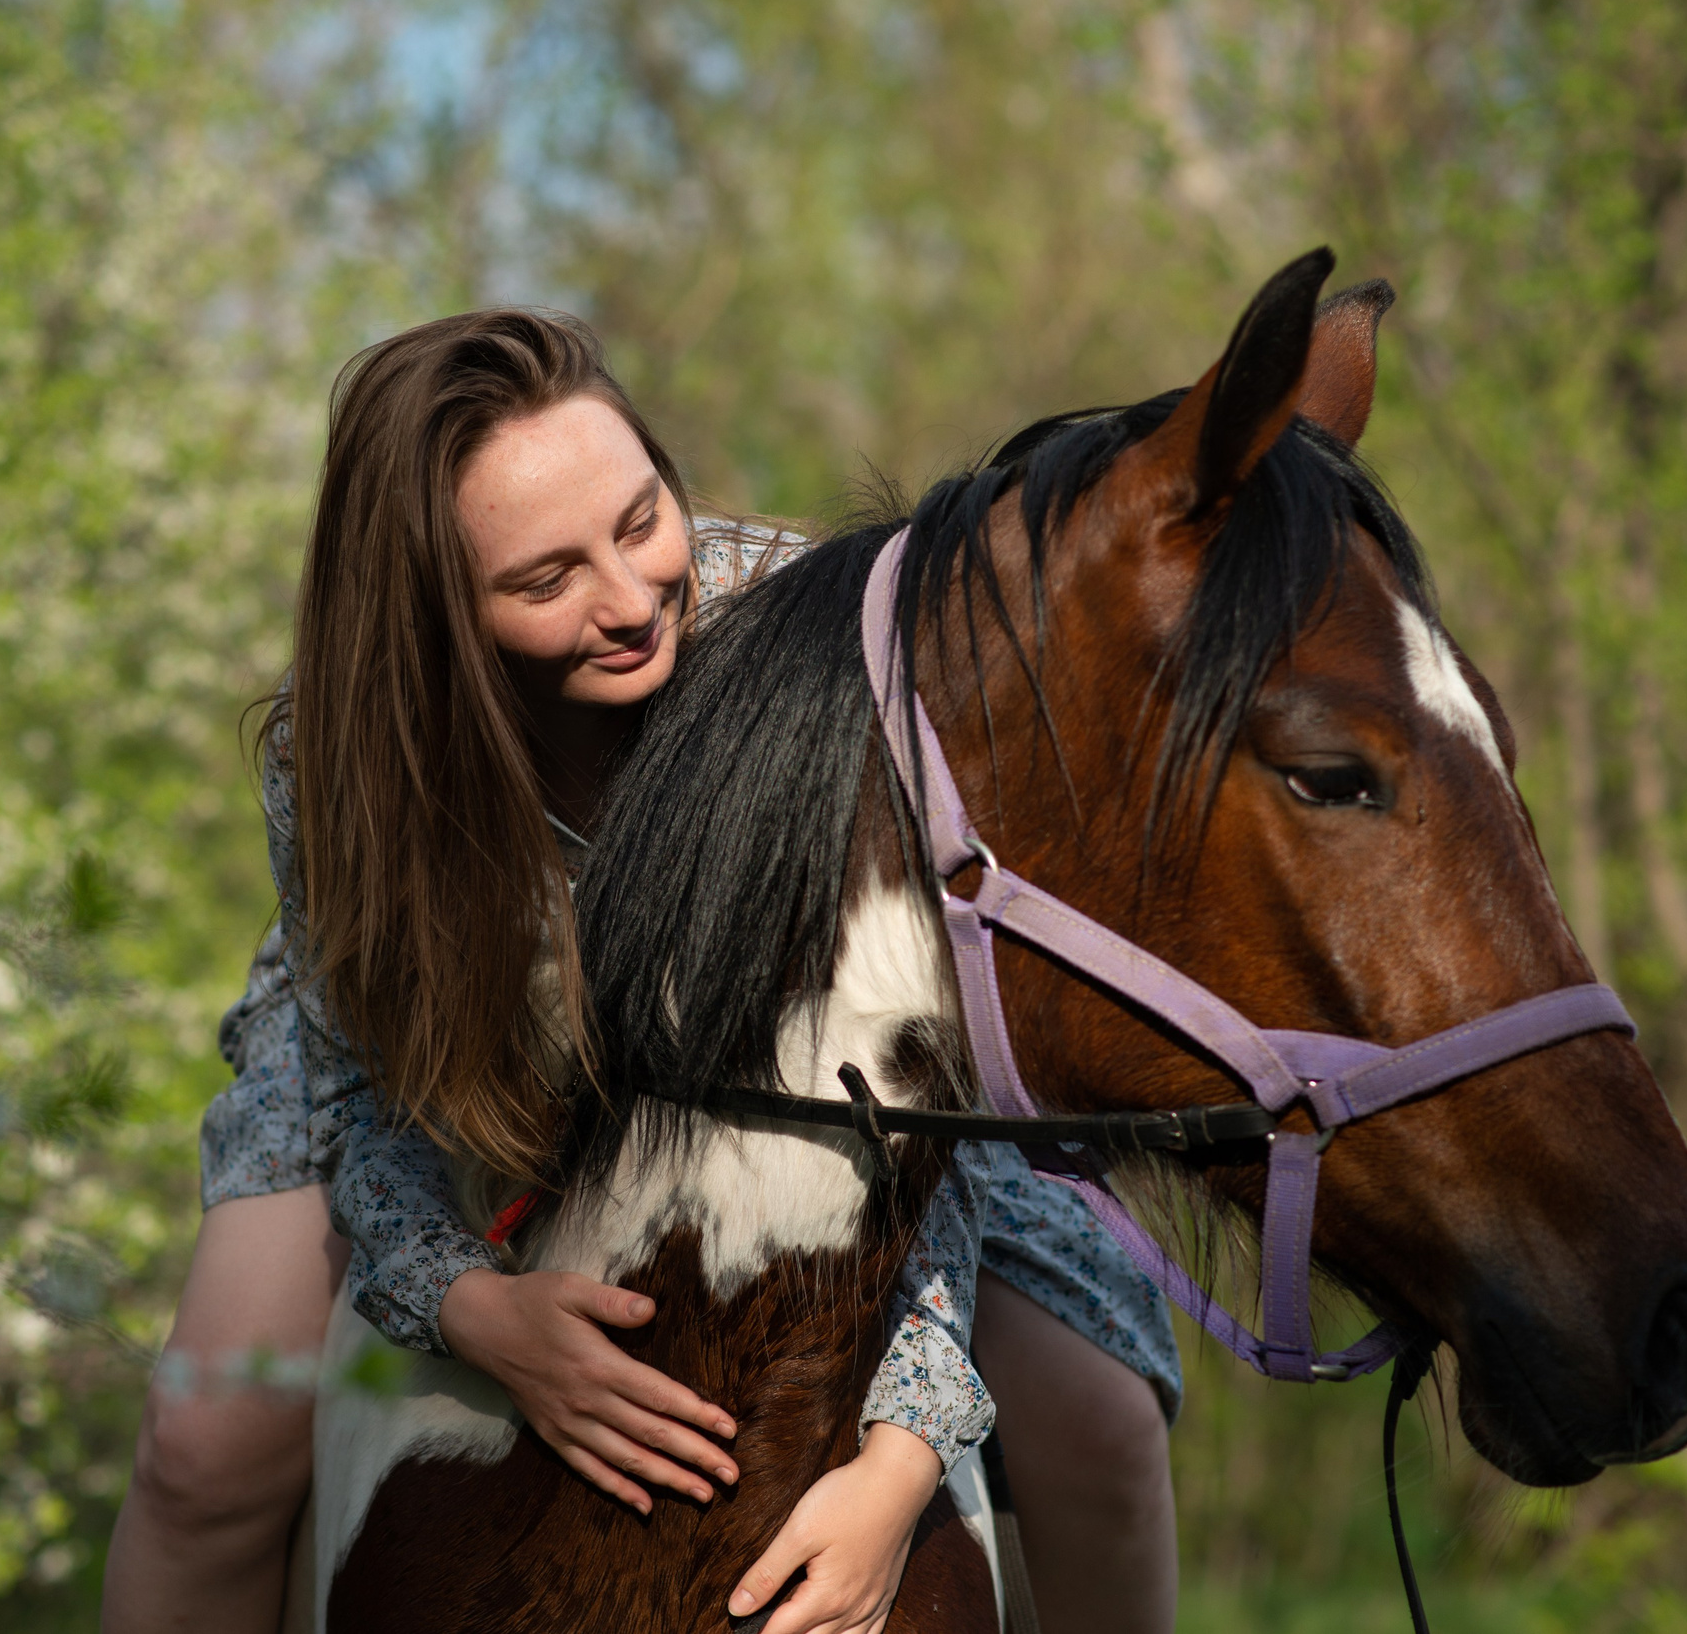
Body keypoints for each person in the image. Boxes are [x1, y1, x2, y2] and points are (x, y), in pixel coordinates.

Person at [102, 309, 1184, 1634]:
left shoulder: (813, 656)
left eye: (641, 521)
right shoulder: (344, 758)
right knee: (204, 1454)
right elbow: (371, 1087)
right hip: (444, 1030)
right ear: (438, 615)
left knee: (1099, 1426)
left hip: (844, 1049)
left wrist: (909, 1446)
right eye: (545, 579)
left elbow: (909, 1089)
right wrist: (465, 1303)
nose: (628, 601)